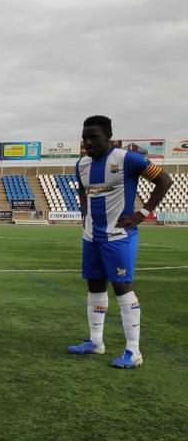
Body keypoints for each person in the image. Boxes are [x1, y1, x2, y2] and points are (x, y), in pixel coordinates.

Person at [67, 115, 172, 368]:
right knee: (94, 286)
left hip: (119, 236)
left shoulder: (127, 159)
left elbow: (165, 180)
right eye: (84, 138)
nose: (88, 142)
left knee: (122, 288)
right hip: (91, 236)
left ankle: (133, 351)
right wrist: (84, 213)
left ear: (109, 138)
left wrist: (142, 213)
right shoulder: (81, 164)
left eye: (94, 137)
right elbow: (82, 189)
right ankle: (95, 342)